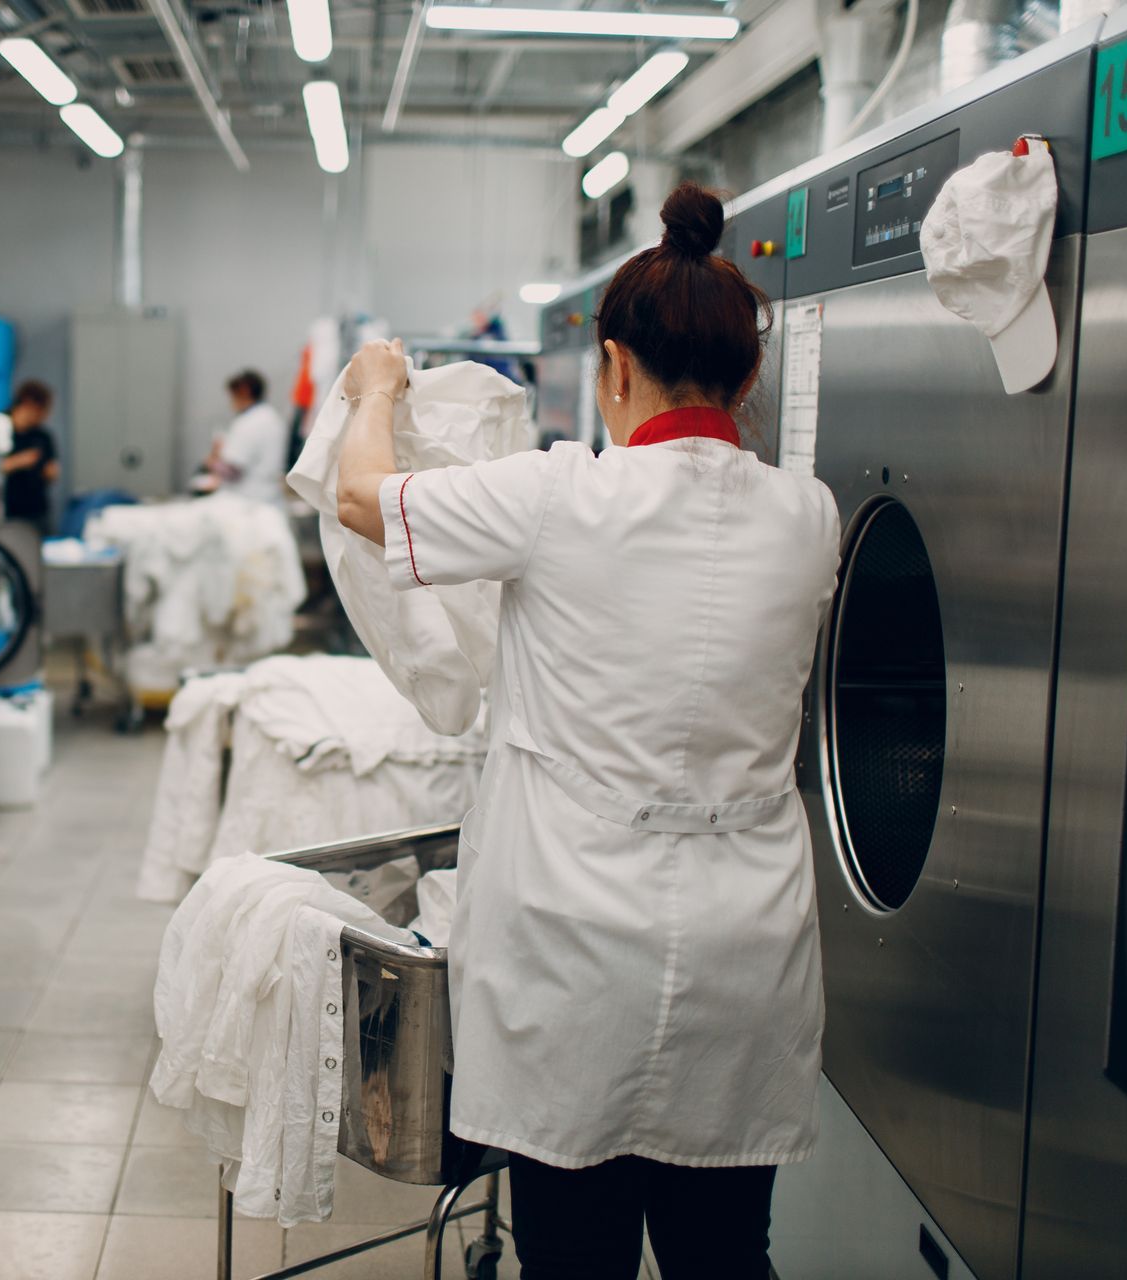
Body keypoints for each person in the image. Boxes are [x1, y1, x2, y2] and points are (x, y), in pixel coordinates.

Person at [335, 183, 841, 1280]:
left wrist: (376, 388)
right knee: (723, 1259)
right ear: (750, 376)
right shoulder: (811, 515)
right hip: (744, 955)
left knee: (572, 1259)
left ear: (613, 365)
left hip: (574, 963)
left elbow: (361, 497)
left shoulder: (560, 497)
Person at [202, 369, 287, 505]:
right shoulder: (271, 417)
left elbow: (233, 471)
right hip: (268, 499)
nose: (231, 402)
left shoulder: (249, 423)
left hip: (248, 502)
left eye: (232, 395)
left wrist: (213, 459)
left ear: (244, 391)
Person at [2, 380, 60, 529]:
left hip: (36, 512)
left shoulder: (42, 436)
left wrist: (50, 472)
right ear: (29, 404)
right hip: (5, 512)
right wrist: (19, 462)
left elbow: (51, 469)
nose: (45, 415)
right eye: (43, 409)